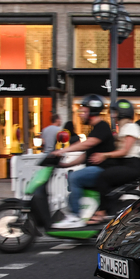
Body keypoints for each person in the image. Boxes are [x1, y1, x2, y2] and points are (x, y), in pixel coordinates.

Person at [51, 94, 117, 228]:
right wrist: (65, 164)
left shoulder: (102, 126)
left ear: (92, 112)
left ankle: (76, 217)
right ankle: (82, 214)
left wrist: (62, 151)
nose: (81, 114)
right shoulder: (94, 129)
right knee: (70, 194)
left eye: (84, 111)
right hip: (95, 170)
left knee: (75, 177)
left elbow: (87, 144)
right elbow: (86, 155)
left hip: (102, 170)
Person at [89, 99, 140, 224]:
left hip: (132, 166)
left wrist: (104, 155)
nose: (113, 116)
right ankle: (107, 209)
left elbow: (125, 151)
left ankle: (101, 212)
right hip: (126, 164)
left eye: (115, 112)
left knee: (103, 177)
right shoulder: (125, 128)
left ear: (122, 113)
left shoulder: (131, 127)